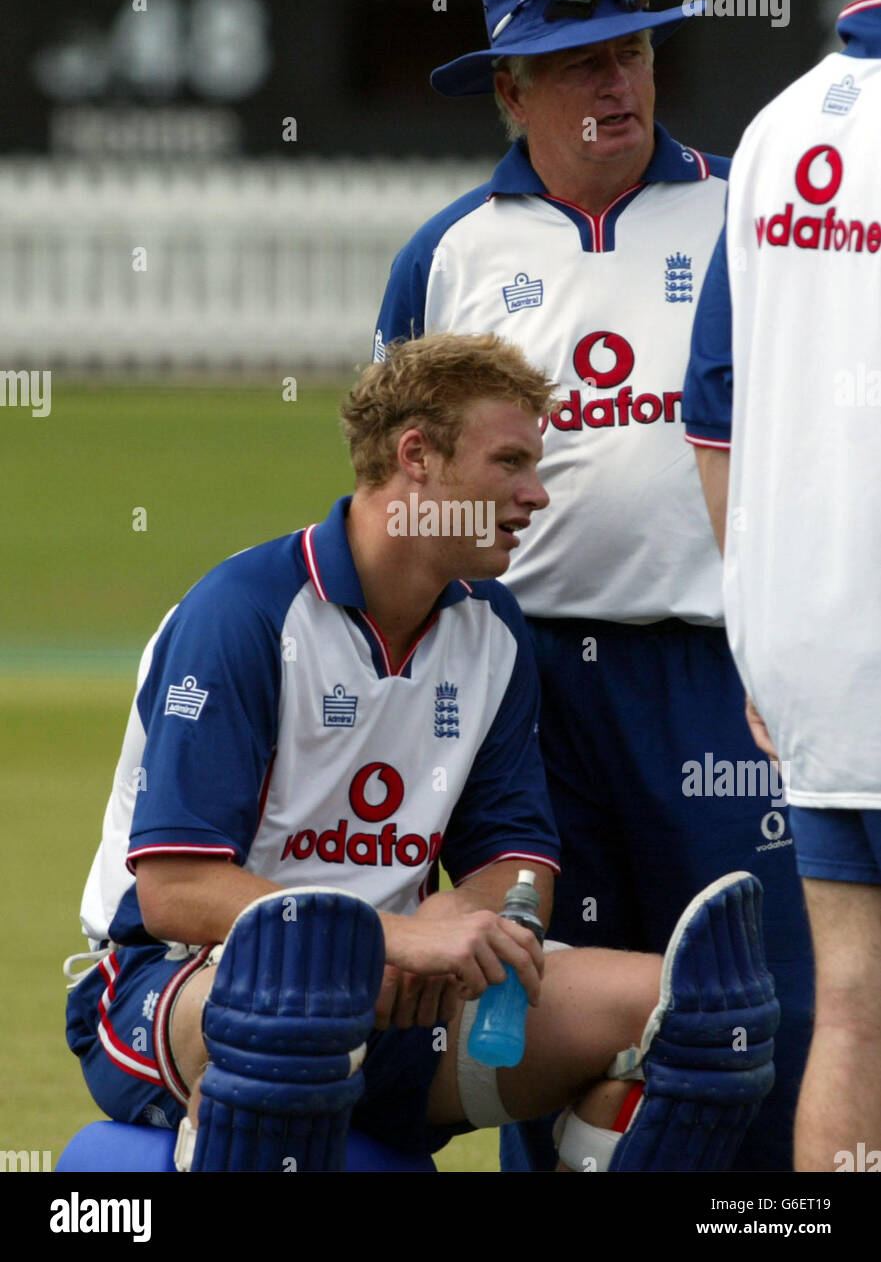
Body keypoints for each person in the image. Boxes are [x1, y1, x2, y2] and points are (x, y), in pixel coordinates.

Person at [64, 334, 778, 1173]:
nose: (535, 496)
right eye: (509, 462)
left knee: (696, 1014)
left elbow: (516, 860)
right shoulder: (243, 613)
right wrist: (388, 938)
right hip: (172, 989)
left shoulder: (492, 627)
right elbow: (174, 890)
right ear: (417, 458)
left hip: (402, 998)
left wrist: (471, 919)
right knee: (297, 994)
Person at [374, 0, 813, 1172]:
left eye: (626, 53)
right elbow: (394, 482)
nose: (610, 84)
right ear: (510, 93)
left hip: (721, 680)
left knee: (753, 997)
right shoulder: (450, 253)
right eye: (571, 67)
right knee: (543, 1006)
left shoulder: (746, 212)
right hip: (524, 690)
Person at [683, 0, 881, 1173]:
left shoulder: (769, 133)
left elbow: (712, 404)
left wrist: (759, 619)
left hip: (810, 648)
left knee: (853, 1001)